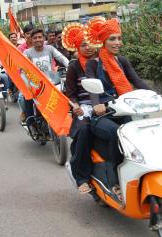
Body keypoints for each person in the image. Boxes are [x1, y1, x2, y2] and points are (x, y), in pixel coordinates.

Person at [84, 17, 151, 199]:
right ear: (103, 41)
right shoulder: (92, 64)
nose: (117, 42)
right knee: (117, 133)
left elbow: (136, 81)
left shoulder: (122, 61)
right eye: (112, 39)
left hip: (125, 108)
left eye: (119, 38)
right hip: (103, 114)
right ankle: (115, 180)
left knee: (143, 129)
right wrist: (97, 103)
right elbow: (92, 87)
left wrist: (158, 96)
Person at [63, 23, 97, 194]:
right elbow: (70, 93)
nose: (88, 47)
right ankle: (80, 175)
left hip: (106, 106)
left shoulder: (105, 61)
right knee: (84, 129)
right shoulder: (74, 67)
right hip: (83, 108)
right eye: (84, 44)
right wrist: (76, 106)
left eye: (91, 42)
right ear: (77, 47)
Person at [20, 28, 69, 123]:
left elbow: (62, 58)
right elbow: (23, 66)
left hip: (52, 82)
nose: (38, 39)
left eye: (40, 37)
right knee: (26, 98)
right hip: (35, 84)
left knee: (66, 92)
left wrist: (69, 66)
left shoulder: (50, 49)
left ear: (44, 38)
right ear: (31, 39)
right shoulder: (27, 52)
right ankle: (31, 122)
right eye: (35, 38)